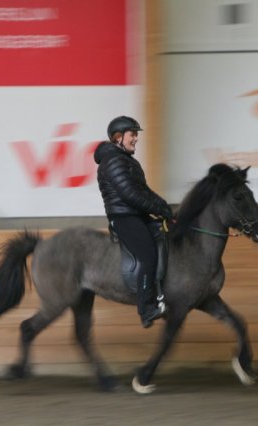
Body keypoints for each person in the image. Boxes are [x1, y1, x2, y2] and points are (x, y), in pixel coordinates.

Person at [93, 115, 173, 328]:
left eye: (136, 134)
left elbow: (144, 191)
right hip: (123, 217)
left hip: (136, 214)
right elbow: (130, 195)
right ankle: (147, 309)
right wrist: (157, 208)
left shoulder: (127, 160)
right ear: (118, 137)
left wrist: (165, 208)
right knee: (147, 254)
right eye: (133, 134)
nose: (136, 138)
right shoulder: (113, 161)